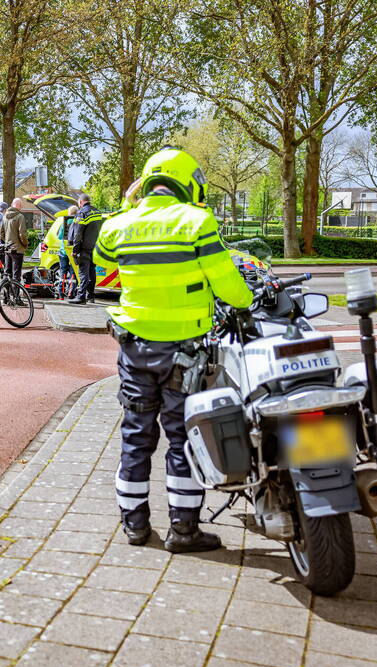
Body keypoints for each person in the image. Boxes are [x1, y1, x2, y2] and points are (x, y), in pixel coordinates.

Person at [93, 147, 253, 553]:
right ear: (189, 182)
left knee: (135, 436)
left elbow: (100, 261)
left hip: (135, 351)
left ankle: (134, 527)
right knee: (182, 440)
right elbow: (231, 290)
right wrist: (247, 302)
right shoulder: (196, 221)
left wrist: (127, 204)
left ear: (145, 183)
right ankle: (183, 531)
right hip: (185, 354)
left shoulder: (119, 226)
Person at [68, 193, 100, 304]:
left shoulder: (81, 213)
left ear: (81, 202)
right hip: (94, 247)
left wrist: (75, 250)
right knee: (92, 272)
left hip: (84, 248)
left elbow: (77, 234)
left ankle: (81, 297)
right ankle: (90, 296)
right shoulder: (97, 212)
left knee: (83, 273)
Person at [0, 198, 28, 284]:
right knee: (16, 274)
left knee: (7, 272)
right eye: (21, 205)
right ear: (19, 205)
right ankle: (16, 296)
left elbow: (1, 233)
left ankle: (6, 294)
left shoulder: (4, 216)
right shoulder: (20, 216)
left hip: (7, 248)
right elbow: (22, 234)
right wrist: (25, 244)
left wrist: (7, 242)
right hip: (17, 249)